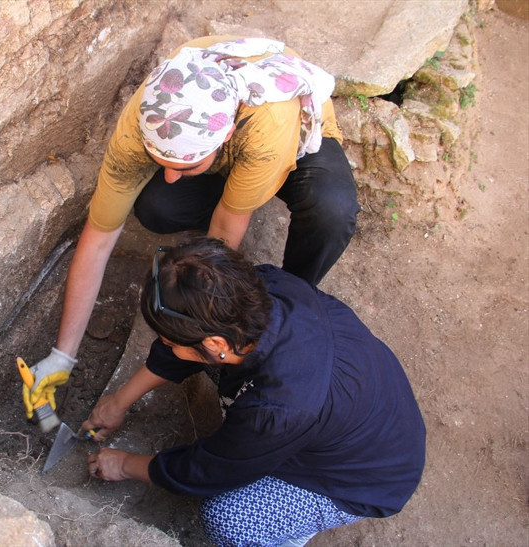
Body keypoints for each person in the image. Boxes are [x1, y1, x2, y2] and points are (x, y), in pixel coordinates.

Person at [23, 36, 361, 422]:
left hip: (290, 130)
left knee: (332, 210)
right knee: (157, 206)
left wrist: (190, 321)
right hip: (217, 140)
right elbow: (97, 242)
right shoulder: (142, 121)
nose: (170, 177)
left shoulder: (267, 128)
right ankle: (208, 174)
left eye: (184, 167)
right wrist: (62, 356)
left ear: (226, 136)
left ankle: (289, 300)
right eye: (161, 161)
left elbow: (219, 248)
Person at [83, 237, 425, 546]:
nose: (168, 347)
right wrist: (119, 402)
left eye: (171, 343)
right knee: (203, 362)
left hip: (366, 478)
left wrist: (125, 465)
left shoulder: (276, 409)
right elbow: (184, 346)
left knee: (228, 519)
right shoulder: (264, 287)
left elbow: (207, 470)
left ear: (216, 344)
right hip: (367, 410)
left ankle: (287, 535)